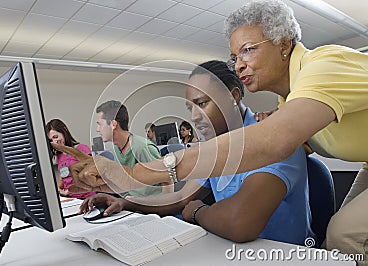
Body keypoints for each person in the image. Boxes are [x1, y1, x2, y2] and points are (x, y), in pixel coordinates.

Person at [54, 1, 368, 262]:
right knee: (337, 242)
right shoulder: (286, 102)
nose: (239, 64)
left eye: (247, 50)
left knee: (344, 234)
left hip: (274, 252)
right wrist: (128, 202)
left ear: (284, 44)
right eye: (235, 57)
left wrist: (134, 174)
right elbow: (186, 194)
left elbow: (275, 142)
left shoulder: (320, 68)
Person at [63, 61, 314, 245]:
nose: (194, 116)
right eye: (189, 107)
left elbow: (240, 223)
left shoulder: (273, 138)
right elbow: (182, 197)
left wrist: (196, 212)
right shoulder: (214, 146)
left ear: (233, 97)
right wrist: (124, 202)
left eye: (202, 104)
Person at [95, 100, 173, 196]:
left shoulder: (142, 148)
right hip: (132, 202)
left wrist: (164, 208)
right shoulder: (117, 148)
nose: (97, 129)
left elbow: (167, 180)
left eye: (99, 124)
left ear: (113, 124)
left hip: (150, 206)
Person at [46, 118, 96, 199]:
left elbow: (90, 175)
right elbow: (63, 177)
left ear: (64, 131)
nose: (54, 142)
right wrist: (59, 188)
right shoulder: (59, 156)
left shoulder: (81, 149)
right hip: (70, 199)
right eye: (51, 140)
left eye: (55, 137)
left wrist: (69, 190)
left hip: (86, 197)